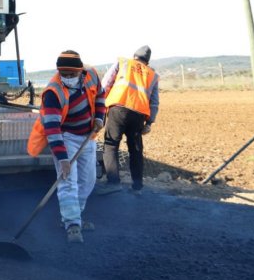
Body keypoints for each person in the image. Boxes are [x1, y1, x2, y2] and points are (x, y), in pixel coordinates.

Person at [28, 50, 106, 243]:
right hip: (65, 136)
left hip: (87, 136)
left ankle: (76, 217)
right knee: (67, 181)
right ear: (59, 71)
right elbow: (52, 128)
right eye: (64, 74)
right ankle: (72, 225)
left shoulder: (92, 75)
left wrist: (99, 118)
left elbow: (101, 97)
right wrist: (63, 159)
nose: (68, 78)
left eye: (72, 74)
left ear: (81, 71)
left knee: (88, 181)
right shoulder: (53, 92)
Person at [97, 45, 160, 195]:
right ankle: (137, 187)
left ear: (134, 57)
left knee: (111, 145)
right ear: (147, 62)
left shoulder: (123, 63)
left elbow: (105, 84)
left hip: (118, 109)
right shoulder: (152, 74)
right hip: (138, 115)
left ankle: (113, 183)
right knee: (136, 149)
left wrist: (99, 105)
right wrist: (149, 122)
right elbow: (154, 101)